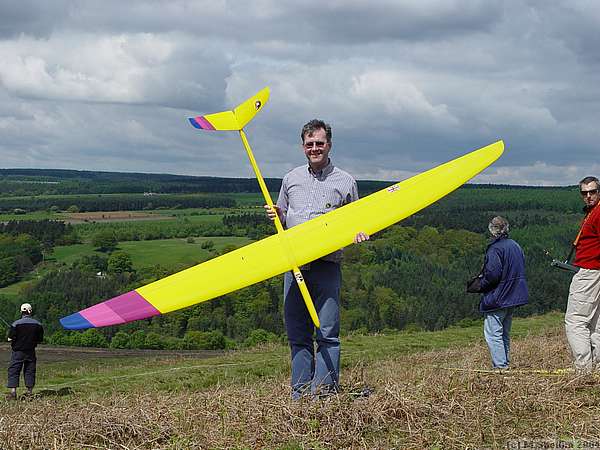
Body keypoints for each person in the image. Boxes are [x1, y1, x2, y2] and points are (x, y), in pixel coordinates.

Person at [265, 119, 368, 399]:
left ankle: (323, 395)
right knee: (298, 335)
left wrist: (359, 232)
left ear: (329, 145)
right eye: (309, 144)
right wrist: (278, 214)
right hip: (295, 266)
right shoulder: (291, 178)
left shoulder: (345, 181)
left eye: (319, 143)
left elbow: (357, 220)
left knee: (327, 333)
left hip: (327, 265)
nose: (314, 148)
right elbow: (285, 216)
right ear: (303, 146)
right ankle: (300, 395)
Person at [478, 216, 528, 369]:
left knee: (493, 334)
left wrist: (480, 283)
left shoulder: (495, 248)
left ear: (492, 230)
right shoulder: (515, 245)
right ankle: (504, 363)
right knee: (504, 333)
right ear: (507, 228)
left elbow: (492, 274)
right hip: (513, 295)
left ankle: (500, 367)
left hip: (498, 296)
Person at [565, 176, 600, 373]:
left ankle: (583, 369)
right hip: (594, 271)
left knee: (575, 321)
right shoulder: (593, 212)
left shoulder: (598, 213)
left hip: (590, 272)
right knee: (596, 322)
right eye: (584, 193)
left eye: (592, 192)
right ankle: (595, 367)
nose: (588, 196)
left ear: (599, 192)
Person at [6, 303, 44, 400]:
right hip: (31, 351)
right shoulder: (38, 324)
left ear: (21, 312)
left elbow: (10, 339)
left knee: (14, 370)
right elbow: (40, 339)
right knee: (29, 371)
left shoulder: (15, 324)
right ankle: (29, 392)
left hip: (18, 351)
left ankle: (13, 393)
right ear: (30, 311)